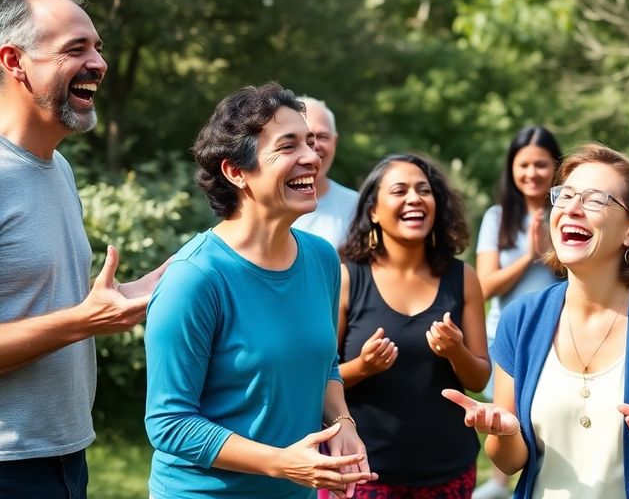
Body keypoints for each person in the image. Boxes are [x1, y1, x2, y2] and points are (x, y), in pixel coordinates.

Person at [144, 83, 375, 499]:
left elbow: (325, 363)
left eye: (310, 141)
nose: (312, 156)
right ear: (236, 171)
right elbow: (169, 422)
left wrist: (342, 423)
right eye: (288, 146)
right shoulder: (195, 278)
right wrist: (281, 462)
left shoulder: (322, 259)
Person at [445, 143, 629, 498]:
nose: (571, 209)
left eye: (595, 200)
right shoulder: (521, 319)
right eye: (565, 195)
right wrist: (504, 432)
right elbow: (509, 462)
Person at [0, 0, 167, 496]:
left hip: (65, 456)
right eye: (75, 49)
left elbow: (44, 308)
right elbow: (71, 320)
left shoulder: (59, 169)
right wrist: (83, 321)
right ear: (14, 61)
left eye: (96, 48)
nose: (99, 63)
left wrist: (142, 290)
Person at [337, 153, 490, 498]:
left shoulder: (462, 278)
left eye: (424, 190)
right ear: (373, 211)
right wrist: (363, 366)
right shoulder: (347, 277)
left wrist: (456, 351)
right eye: (400, 190)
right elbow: (320, 380)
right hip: (363, 471)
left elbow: (479, 377)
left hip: (448, 473)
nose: (414, 199)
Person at [473, 126, 563, 499]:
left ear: (556, 167)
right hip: (505, 337)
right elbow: (483, 286)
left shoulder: (566, 212)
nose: (532, 173)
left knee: (548, 416)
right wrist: (529, 256)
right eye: (523, 165)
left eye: (541, 164)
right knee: (507, 418)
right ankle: (500, 484)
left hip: (559, 336)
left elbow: (582, 275)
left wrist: (549, 251)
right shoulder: (498, 217)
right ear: (511, 168)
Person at [291, 96, 359, 250]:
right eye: (305, 137)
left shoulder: (358, 207)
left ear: (335, 142)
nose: (314, 146)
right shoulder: (264, 206)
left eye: (322, 136)